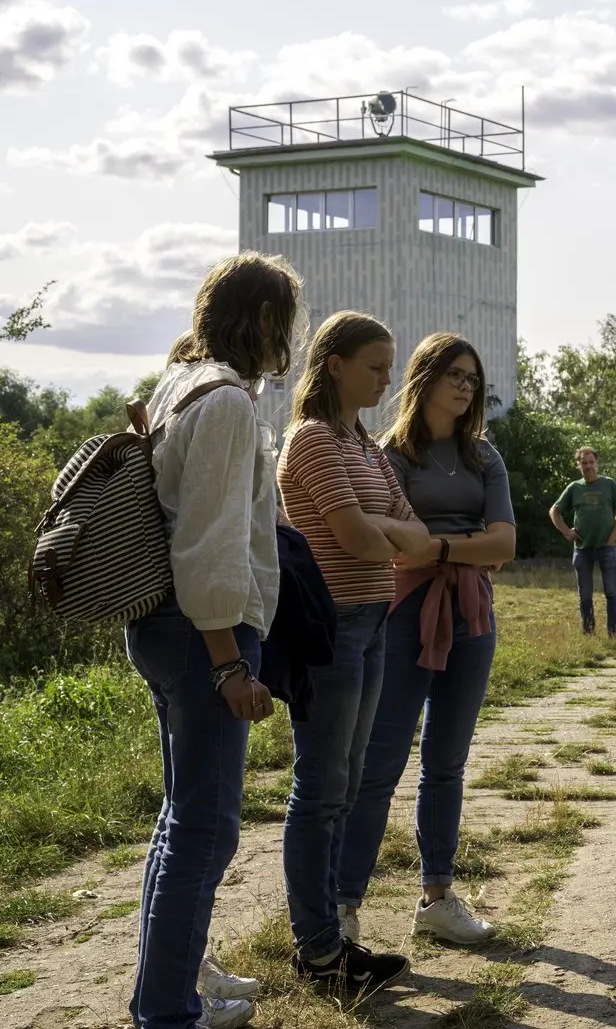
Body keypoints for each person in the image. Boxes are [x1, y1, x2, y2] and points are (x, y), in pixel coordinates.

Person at [124, 252, 297, 1029]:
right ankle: (166, 1012)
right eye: (283, 320)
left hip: (162, 624)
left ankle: (175, 989)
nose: (284, 337)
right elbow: (210, 544)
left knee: (183, 817)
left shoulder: (178, 382)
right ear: (263, 318)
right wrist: (229, 661)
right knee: (207, 826)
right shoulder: (225, 402)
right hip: (204, 633)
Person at [336, 334, 517, 946]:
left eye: (473, 376)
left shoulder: (484, 456)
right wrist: (458, 544)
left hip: (471, 614)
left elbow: (505, 545)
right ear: (425, 379)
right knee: (378, 764)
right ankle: (343, 908)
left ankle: (436, 897)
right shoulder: (389, 453)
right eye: (455, 375)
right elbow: (385, 538)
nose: (467, 386)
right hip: (403, 610)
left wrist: (437, 545)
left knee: (447, 763)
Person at [277, 311, 426, 992]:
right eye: (374, 366)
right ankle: (317, 950)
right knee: (321, 787)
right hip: (330, 625)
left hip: (374, 619)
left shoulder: (364, 446)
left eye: (390, 366)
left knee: (350, 780)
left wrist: (386, 528)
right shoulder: (312, 441)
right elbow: (364, 540)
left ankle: (333, 940)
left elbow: (415, 535)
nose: (386, 379)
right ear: (333, 363)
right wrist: (387, 529)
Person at [549, 447, 616, 637]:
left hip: (606, 548)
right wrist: (566, 531)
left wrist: (611, 540)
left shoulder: (609, 484)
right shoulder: (574, 488)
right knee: (585, 595)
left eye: (591, 462)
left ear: (596, 463)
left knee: (612, 592)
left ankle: (614, 634)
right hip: (582, 549)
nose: (588, 466)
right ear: (578, 465)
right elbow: (554, 511)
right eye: (584, 463)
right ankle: (588, 633)